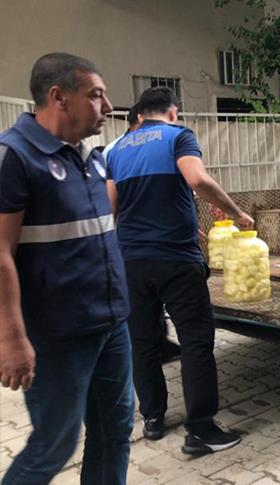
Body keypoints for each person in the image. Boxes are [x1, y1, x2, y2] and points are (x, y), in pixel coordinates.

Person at [0, 53, 134, 484]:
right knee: (54, 444)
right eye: (96, 95)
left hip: (111, 325)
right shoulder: (15, 158)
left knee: (115, 432)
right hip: (56, 336)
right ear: (58, 97)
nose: (109, 107)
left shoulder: (91, 159)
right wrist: (11, 337)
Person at [105, 86, 254, 455]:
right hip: (175, 260)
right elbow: (197, 179)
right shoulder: (179, 136)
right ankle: (201, 429)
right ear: (173, 112)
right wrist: (237, 214)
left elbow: (112, 208)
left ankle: (153, 418)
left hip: (131, 262)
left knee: (142, 343)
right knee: (196, 340)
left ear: (140, 114)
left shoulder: (118, 148)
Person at [105, 103, 183, 364]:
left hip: (134, 249)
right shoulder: (118, 149)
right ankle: (155, 346)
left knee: (146, 311)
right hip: (157, 247)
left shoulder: (117, 149)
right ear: (138, 121)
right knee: (153, 313)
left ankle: (156, 349)